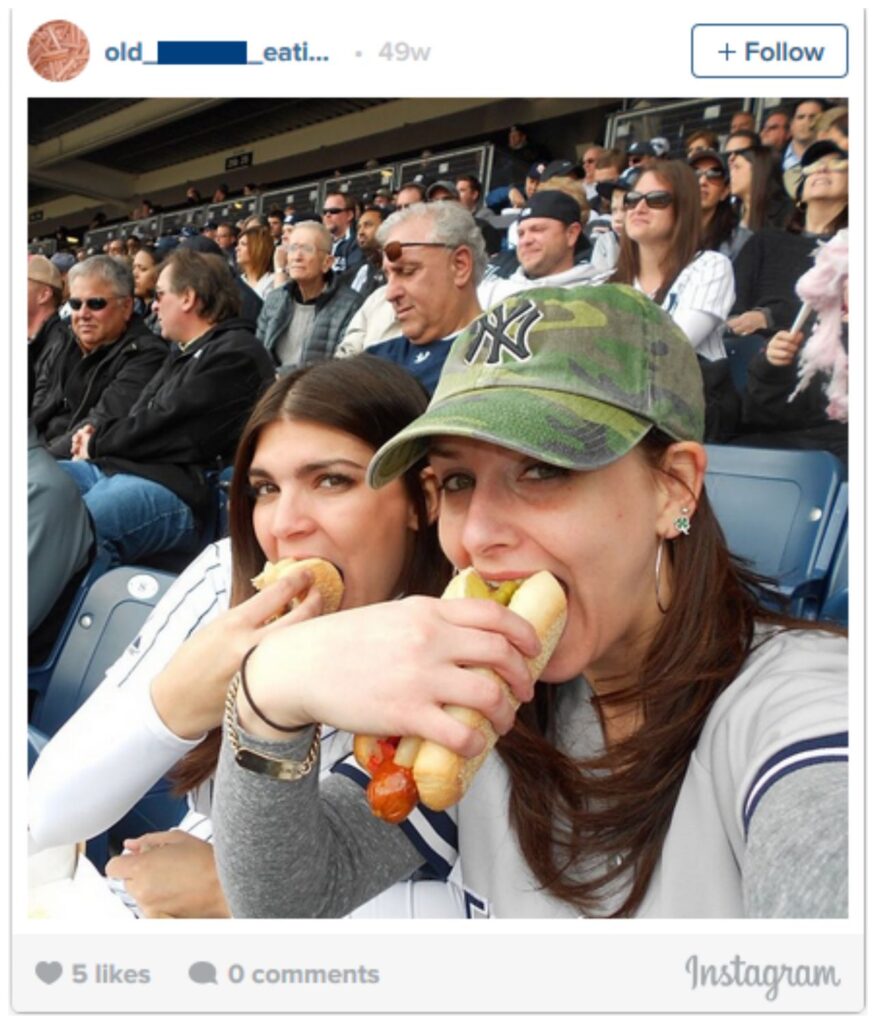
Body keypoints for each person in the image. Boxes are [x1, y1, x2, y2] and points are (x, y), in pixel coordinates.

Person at [212, 285, 847, 919]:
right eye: (458, 481)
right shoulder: (489, 709)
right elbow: (288, 898)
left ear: (673, 486)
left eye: (543, 469)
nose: (478, 536)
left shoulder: (802, 710)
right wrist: (268, 701)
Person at [29, 357, 455, 919]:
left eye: (331, 481)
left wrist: (229, 892)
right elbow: (49, 813)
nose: (284, 525)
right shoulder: (223, 579)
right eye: (265, 489)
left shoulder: (459, 650)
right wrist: (173, 704)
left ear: (421, 500)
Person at [58, 249, 275, 565]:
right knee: (37, 487)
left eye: (160, 295)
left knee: (80, 526)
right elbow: (139, 416)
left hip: (180, 491)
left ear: (187, 298)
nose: (154, 305)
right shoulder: (182, 351)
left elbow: (170, 427)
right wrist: (96, 437)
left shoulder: (236, 354)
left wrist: (97, 441)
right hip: (125, 468)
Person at [611, 161, 736, 439]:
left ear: (684, 209)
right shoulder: (607, 282)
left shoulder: (710, 266)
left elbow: (672, 346)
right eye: (632, 200)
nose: (639, 208)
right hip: (622, 409)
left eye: (657, 200)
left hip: (690, 414)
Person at [30, 255, 166, 459]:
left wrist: (35, 463)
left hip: (79, 464)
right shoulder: (66, 339)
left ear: (126, 307)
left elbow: (100, 422)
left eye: (96, 303)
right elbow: (40, 403)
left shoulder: (146, 354)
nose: (83, 314)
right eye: (75, 304)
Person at [728, 140, 848, 339]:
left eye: (837, 164)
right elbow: (733, 302)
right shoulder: (765, 241)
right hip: (748, 348)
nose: (822, 169)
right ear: (800, 194)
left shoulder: (854, 251)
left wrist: (770, 316)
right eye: (813, 166)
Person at [366, 201, 484, 395]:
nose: (390, 294)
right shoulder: (374, 362)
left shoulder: (501, 361)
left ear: (460, 265)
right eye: (388, 276)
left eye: (407, 271)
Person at [257, 221, 363, 371]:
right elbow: (258, 355)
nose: (297, 257)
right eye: (292, 248)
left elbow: (341, 367)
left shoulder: (350, 305)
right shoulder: (275, 299)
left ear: (327, 262)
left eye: (307, 249)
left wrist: (283, 376)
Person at [688, 149, 750, 261]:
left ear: (725, 191)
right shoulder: (667, 233)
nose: (702, 181)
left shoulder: (740, 241)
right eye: (695, 173)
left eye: (714, 174)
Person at [235, 225, 275, 300]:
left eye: (243, 244)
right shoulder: (238, 281)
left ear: (258, 248)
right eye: (238, 244)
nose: (237, 248)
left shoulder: (273, 282)